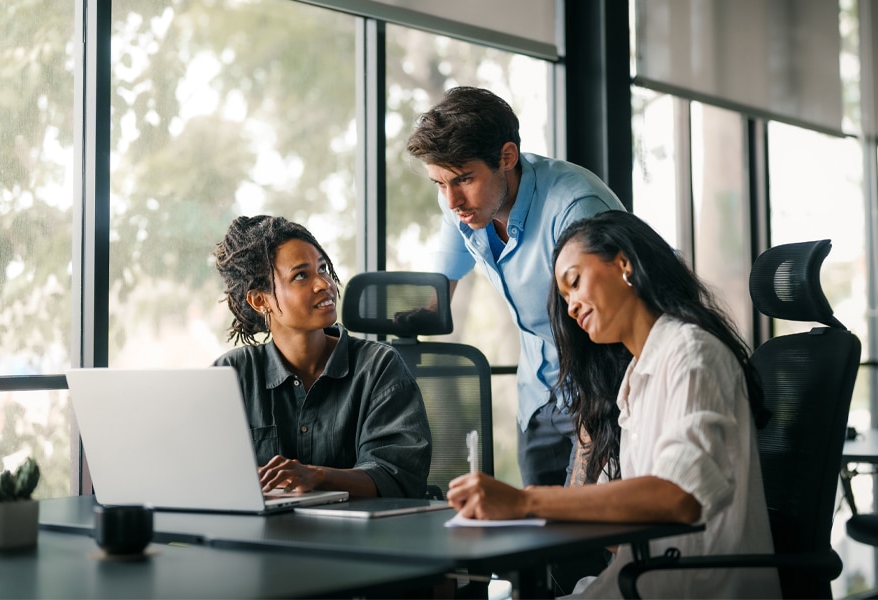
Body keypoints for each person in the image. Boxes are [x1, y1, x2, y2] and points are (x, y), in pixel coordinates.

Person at [446, 211, 780, 598]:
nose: (571, 307)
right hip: (642, 582)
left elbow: (678, 498)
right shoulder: (635, 378)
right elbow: (616, 533)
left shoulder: (692, 354)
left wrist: (524, 502)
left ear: (624, 264)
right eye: (565, 298)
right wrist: (506, 522)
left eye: (574, 282)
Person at [407, 86, 626, 488]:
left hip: (600, 389)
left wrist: (593, 429)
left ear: (507, 157)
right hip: (537, 396)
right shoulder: (461, 204)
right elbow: (441, 288)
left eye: (463, 179)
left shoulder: (577, 208)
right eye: (439, 183)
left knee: (588, 536)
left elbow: (613, 334)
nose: (452, 199)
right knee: (538, 539)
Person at [212, 215, 432, 499]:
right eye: (301, 275)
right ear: (260, 300)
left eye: (323, 268)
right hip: (262, 536)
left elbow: (398, 476)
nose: (324, 284)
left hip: (359, 540)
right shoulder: (231, 374)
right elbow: (202, 471)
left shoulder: (378, 368)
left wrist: (317, 477)